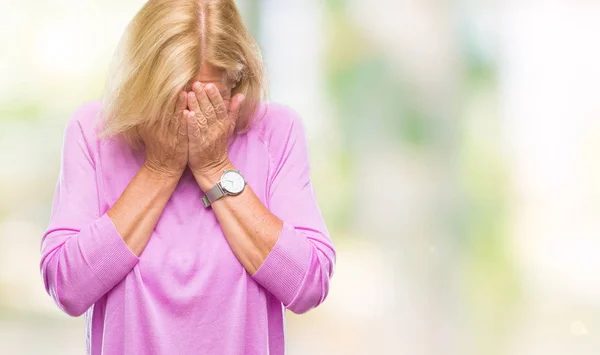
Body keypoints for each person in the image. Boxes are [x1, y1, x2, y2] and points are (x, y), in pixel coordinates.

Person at [39, 1, 336, 354]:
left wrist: (216, 168)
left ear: (236, 84)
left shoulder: (276, 132)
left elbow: (308, 285)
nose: (190, 118)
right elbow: (68, 288)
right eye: (173, 100)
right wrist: (159, 168)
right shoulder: (93, 132)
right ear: (141, 84)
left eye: (208, 98)